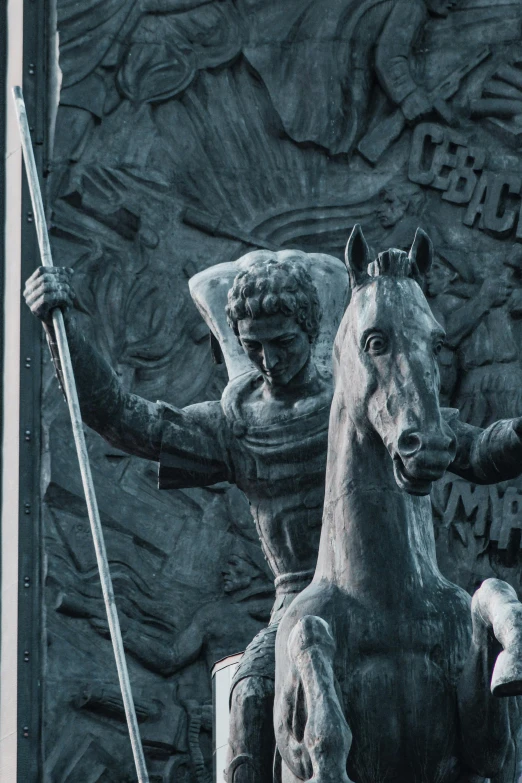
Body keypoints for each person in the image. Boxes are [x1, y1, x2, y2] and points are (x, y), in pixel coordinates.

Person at [24, 248, 522, 783]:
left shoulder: (367, 397)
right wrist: (64, 331)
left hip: (410, 586)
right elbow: (124, 418)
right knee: (253, 695)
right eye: (253, 347)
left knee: (473, 645)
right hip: (294, 605)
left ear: (310, 332)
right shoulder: (235, 426)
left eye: (283, 343)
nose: (270, 361)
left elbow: (474, 449)